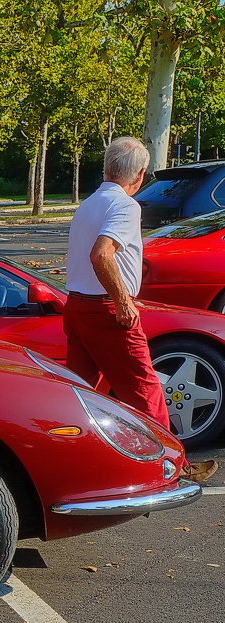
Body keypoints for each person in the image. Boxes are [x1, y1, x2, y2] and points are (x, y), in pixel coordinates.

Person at [64, 136, 216, 481]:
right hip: (106, 310)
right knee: (145, 389)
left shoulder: (88, 203)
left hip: (78, 306)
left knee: (83, 393)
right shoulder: (125, 206)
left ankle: (80, 465)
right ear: (142, 173)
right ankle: (172, 466)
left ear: (107, 167)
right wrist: (122, 302)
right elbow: (101, 254)